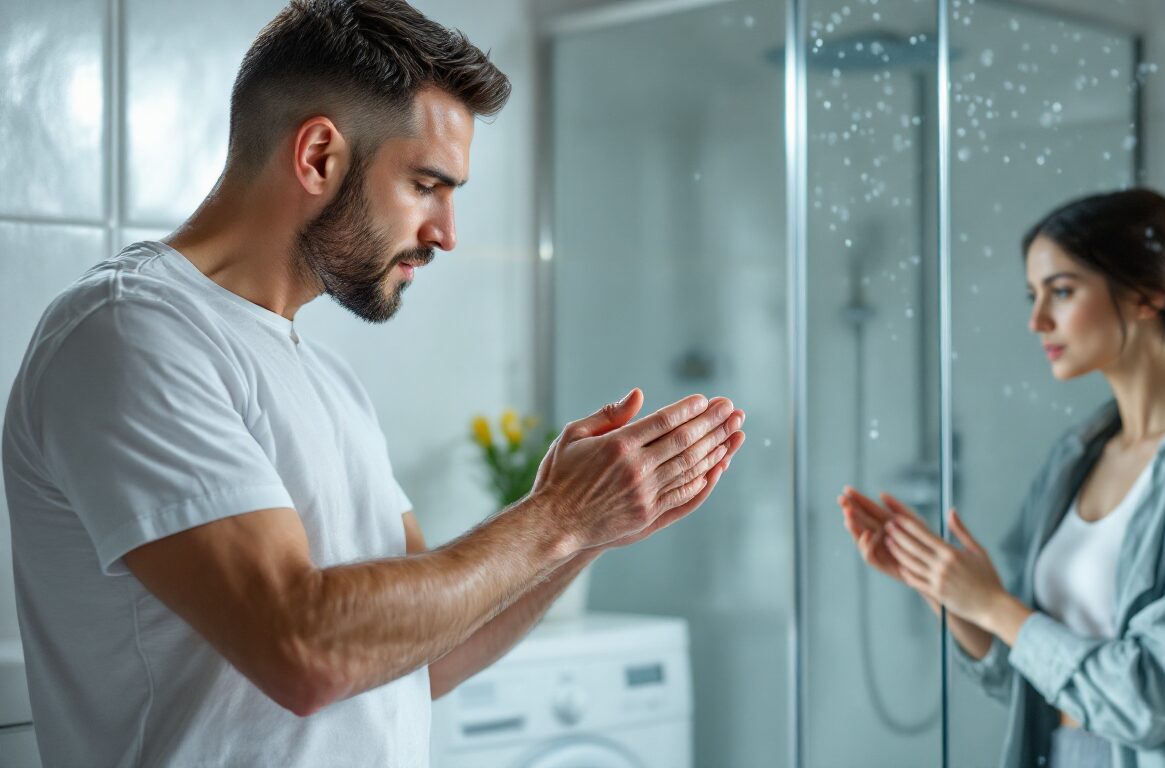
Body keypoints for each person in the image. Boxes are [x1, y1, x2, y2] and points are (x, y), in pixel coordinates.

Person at [1, 1, 746, 765]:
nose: (446, 233)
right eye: (428, 184)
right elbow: (303, 646)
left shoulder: (324, 377)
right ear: (320, 155)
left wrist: (582, 534)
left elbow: (427, 659)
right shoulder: (129, 332)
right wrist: (557, 515)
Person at [839, 188, 1165, 767]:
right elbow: (1025, 676)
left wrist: (994, 604)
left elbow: (1147, 700)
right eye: (1033, 296)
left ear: (1148, 295)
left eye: (1062, 291)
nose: (1037, 320)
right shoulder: (1075, 457)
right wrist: (941, 588)